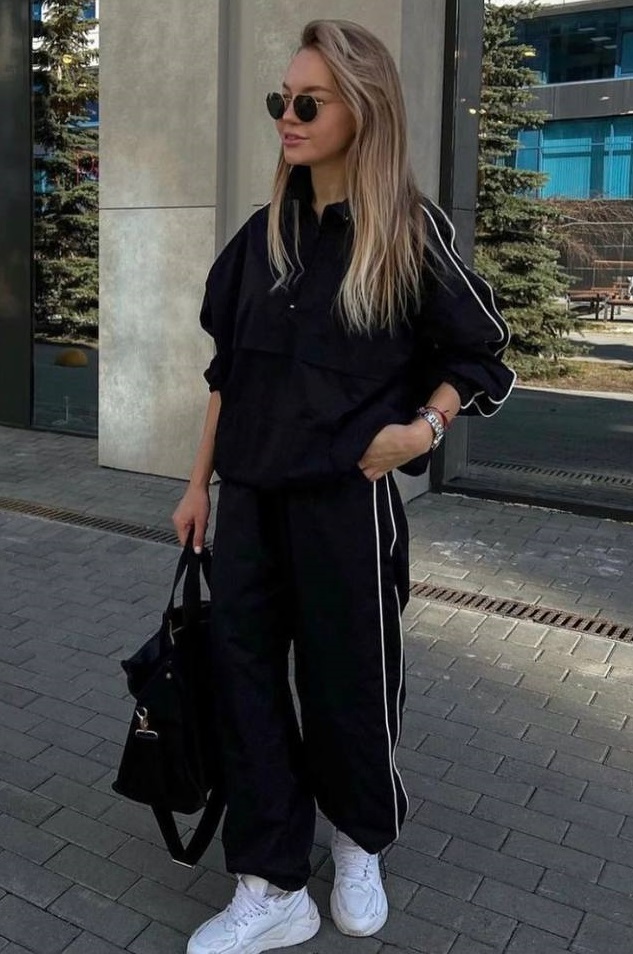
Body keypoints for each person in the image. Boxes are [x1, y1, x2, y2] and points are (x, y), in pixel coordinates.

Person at [173, 18, 515, 954]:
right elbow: (225, 374)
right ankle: (271, 882)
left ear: (361, 111)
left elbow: (480, 354)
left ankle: (359, 840)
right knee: (244, 685)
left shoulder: (406, 233)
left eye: (307, 102)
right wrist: (197, 485)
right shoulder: (259, 238)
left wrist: (422, 430)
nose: (286, 115)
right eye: (278, 99)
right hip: (247, 502)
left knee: (349, 686)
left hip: (344, 506)